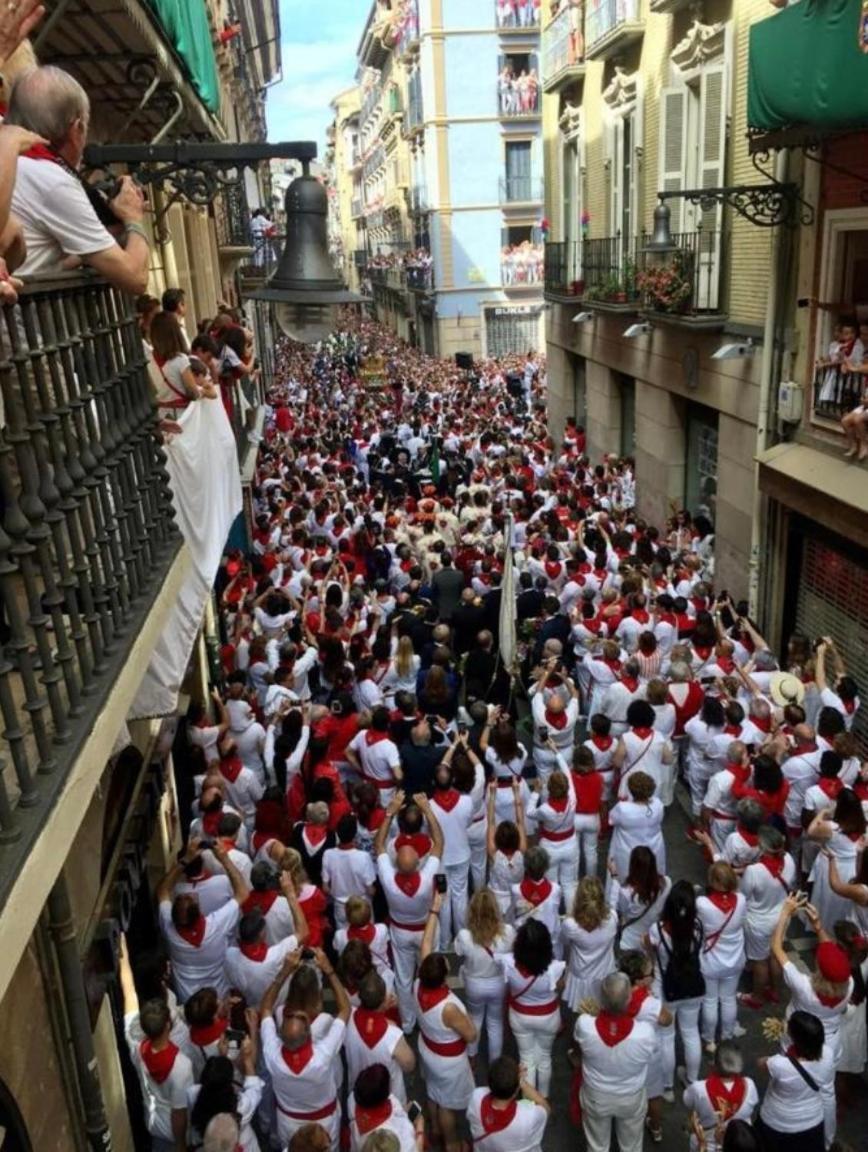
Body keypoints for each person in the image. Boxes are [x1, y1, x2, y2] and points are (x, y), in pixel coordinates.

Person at [7, 65, 151, 292]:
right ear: (77, 129)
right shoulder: (52, 181)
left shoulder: (10, 153)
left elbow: (40, 252)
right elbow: (135, 278)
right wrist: (133, 218)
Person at [258, 947, 350, 1151]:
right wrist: (329, 970)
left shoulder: (272, 1055)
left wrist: (284, 971)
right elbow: (345, 1009)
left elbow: (265, 1008)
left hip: (288, 1121)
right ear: (308, 1031)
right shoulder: (322, 1056)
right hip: (323, 1122)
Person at [375, 791, 444, 1032]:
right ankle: (430, 1021)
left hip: (401, 931)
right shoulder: (426, 879)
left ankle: (407, 1023)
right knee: (429, 974)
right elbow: (439, 843)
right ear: (417, 862)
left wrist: (389, 812)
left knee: (403, 979)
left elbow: (379, 845)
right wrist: (428, 810)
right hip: (426, 928)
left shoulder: (388, 878)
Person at [119, 934, 194, 1152]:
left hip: (154, 1127)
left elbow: (129, 992)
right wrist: (181, 1145)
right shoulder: (181, 1067)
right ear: (168, 1026)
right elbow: (179, 1113)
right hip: (175, 1135)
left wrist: (122, 956)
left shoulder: (134, 1041)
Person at [416, 892, 476, 1152]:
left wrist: (435, 911)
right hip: (449, 1062)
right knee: (448, 1105)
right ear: (443, 979)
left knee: (433, 1091)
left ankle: (434, 1128)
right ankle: (451, 1143)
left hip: (428, 1048)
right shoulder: (448, 1007)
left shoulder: (419, 985)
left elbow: (425, 944)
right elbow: (471, 1035)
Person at [157, 837, 249, 1002]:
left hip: (187, 998)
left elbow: (163, 890)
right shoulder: (215, 925)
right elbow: (242, 893)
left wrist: (185, 860)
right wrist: (224, 858)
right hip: (218, 996)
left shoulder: (169, 929)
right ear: (199, 912)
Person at [573, 971, 657, 1152]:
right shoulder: (645, 1033)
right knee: (631, 1146)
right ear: (629, 999)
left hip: (596, 1095)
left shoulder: (584, 1025)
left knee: (597, 1146)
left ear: (601, 999)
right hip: (630, 1096)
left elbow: (581, 1043)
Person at [648, 879, 705, 1090]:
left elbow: (651, 953)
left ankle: (667, 1085)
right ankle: (692, 1079)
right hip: (693, 987)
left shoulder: (658, 930)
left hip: (666, 989)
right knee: (691, 1033)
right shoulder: (698, 927)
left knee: (666, 1036)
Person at [497, 919, 564, 1097]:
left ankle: (529, 1100)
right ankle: (543, 1097)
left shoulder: (508, 962)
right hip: (548, 1016)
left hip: (520, 1015)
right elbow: (560, 987)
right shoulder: (555, 968)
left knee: (526, 1059)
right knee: (544, 1058)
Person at [756, 1011, 834, 1152]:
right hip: (812, 1122)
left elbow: (761, 1063)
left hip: (777, 1122)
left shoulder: (779, 1064)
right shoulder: (828, 1054)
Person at [455, 888, 516, 1062]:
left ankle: (472, 1057)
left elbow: (459, 953)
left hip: (474, 983)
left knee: (475, 1019)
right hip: (497, 983)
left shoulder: (465, 935)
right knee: (495, 1022)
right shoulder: (508, 932)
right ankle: (495, 1062)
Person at [696, 861, 747, 1054]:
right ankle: (726, 1035)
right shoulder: (741, 900)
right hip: (734, 960)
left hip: (710, 961)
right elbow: (742, 921)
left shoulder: (702, 904)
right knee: (728, 999)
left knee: (709, 1000)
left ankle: (709, 1040)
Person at [682, 1042, 758, 1152]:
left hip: (706, 1144)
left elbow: (687, 1101)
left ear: (714, 1064)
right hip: (737, 1145)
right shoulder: (749, 1085)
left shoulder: (699, 1089)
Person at [466, 1055, 549, 1152]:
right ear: (516, 1091)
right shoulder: (528, 1115)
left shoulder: (476, 1096)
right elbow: (545, 1108)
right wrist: (522, 1083)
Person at [187, 1051, 264, 1152]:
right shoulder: (241, 1106)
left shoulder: (192, 1093)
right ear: (230, 1083)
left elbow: (215, 1080)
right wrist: (247, 1059)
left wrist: (222, 1059)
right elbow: (255, 1089)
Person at [561, 876, 618, 1012]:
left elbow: (565, 942)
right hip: (605, 974)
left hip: (581, 975)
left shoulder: (570, 925)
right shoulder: (612, 918)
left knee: (583, 1014)